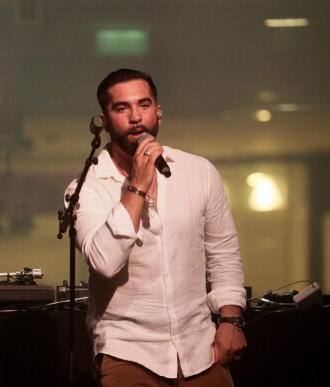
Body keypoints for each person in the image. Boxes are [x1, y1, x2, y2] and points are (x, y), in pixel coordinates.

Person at [65, 69, 247, 386]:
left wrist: (231, 319)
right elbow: (105, 262)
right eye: (122, 108)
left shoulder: (199, 172)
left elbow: (224, 252)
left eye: (144, 105)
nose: (136, 117)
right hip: (128, 353)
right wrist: (137, 185)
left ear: (158, 112)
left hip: (200, 349)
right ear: (103, 121)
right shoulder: (86, 189)